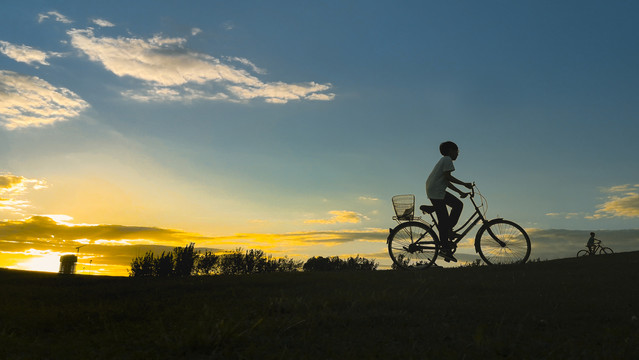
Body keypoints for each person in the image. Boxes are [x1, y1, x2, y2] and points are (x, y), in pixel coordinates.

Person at [426, 141, 473, 262]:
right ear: (450, 151)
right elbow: (448, 178)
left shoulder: (444, 161)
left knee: (457, 205)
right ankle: (444, 247)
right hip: (436, 192)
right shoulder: (447, 159)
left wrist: (460, 192)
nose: (457, 153)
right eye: (456, 150)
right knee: (444, 219)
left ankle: (447, 232)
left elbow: (446, 182)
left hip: (436, 190)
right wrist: (464, 184)